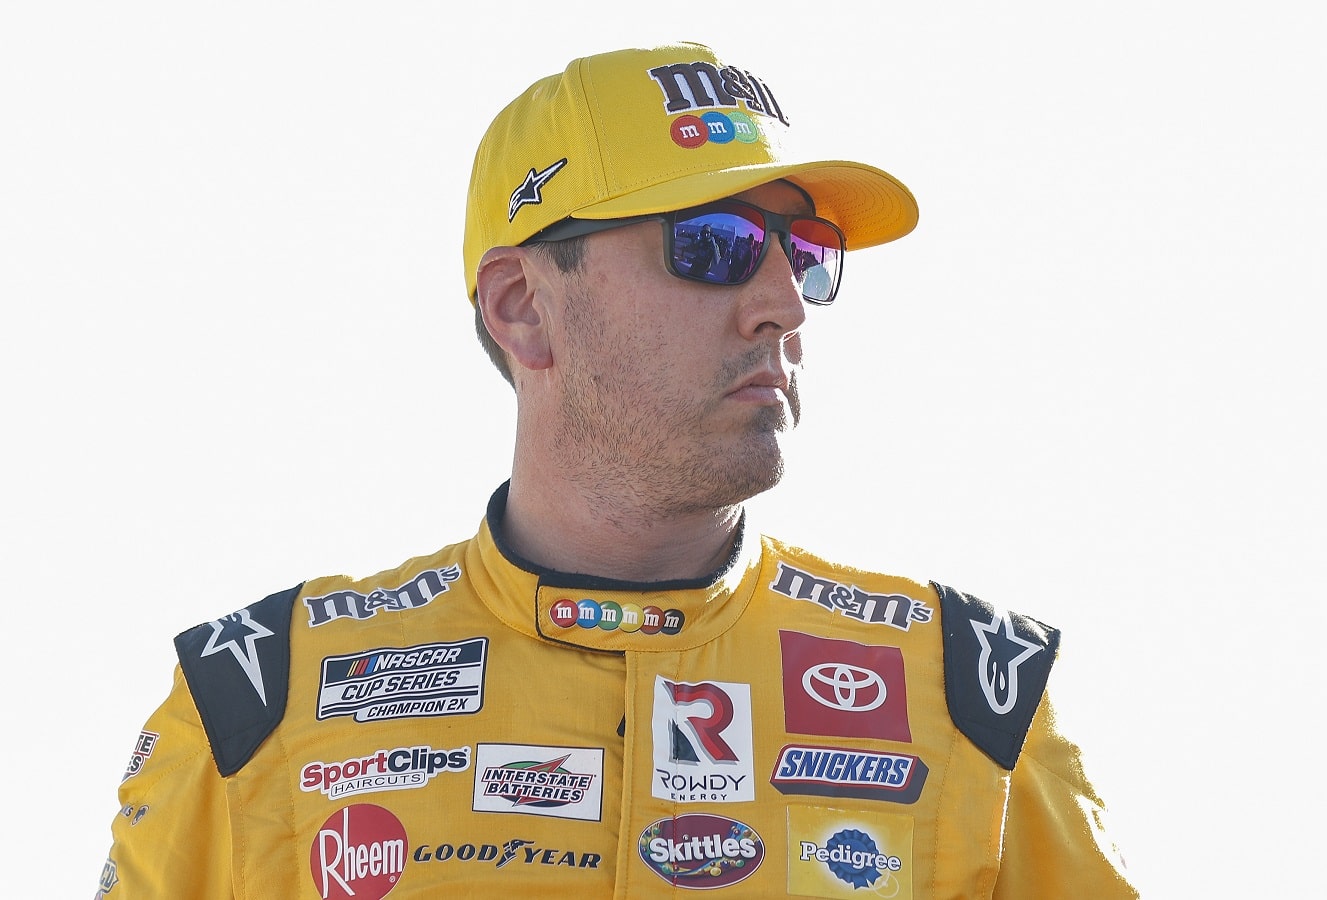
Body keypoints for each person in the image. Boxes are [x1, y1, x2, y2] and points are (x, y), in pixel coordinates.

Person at [95, 41, 1138, 899]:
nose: (784, 301)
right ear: (521, 307)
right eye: (717, 242)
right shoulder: (256, 703)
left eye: (806, 249)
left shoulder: (973, 699)